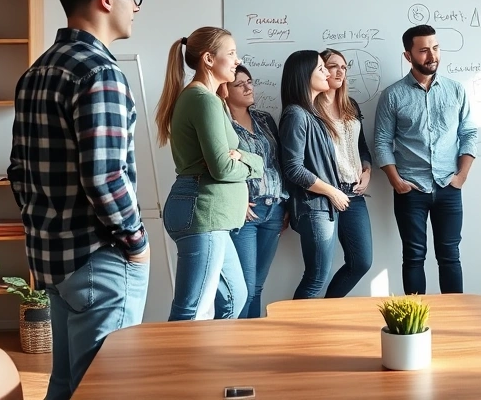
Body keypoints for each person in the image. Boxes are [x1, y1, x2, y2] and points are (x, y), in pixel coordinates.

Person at [8, 0, 149, 400]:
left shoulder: (37, 71)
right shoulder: (99, 72)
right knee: (106, 388)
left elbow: (18, 170)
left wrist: (48, 223)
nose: (137, 6)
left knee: (68, 384)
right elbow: (106, 177)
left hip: (54, 260)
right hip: (101, 258)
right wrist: (137, 243)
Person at [154, 26, 263, 321]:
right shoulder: (203, 100)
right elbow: (223, 166)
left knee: (236, 295)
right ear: (208, 59)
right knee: (192, 309)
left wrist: (244, 157)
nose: (237, 60)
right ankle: (178, 367)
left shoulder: (207, 99)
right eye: (231, 53)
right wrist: (256, 163)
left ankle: (210, 364)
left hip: (209, 217)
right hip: (203, 213)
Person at [374, 25, 478, 295]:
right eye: (423, 50)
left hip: (448, 187)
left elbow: (468, 133)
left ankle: (456, 321)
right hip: (411, 189)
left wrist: (462, 176)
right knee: (413, 257)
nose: (431, 55)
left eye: (435, 48)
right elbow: (382, 141)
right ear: (408, 56)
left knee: (450, 256)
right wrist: (395, 181)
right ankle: (416, 324)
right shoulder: (393, 95)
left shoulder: (456, 90)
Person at [279, 50, 370, 298]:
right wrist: (332, 191)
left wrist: (366, 169)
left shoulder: (339, 107)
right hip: (321, 200)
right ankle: (298, 331)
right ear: (306, 74)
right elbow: (293, 168)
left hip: (350, 194)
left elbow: (359, 146)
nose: (335, 72)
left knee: (359, 263)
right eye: (325, 67)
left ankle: (325, 314)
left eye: (344, 67)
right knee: (317, 276)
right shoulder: (302, 113)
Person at [216, 64, 288, 319]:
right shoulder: (222, 124)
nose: (248, 87)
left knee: (257, 286)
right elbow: (220, 165)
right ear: (225, 90)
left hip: (274, 209)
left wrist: (285, 204)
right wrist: (237, 199)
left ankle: (251, 344)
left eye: (250, 82)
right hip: (244, 214)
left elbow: (278, 161)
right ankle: (232, 343)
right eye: (240, 84)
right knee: (241, 288)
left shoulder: (264, 118)